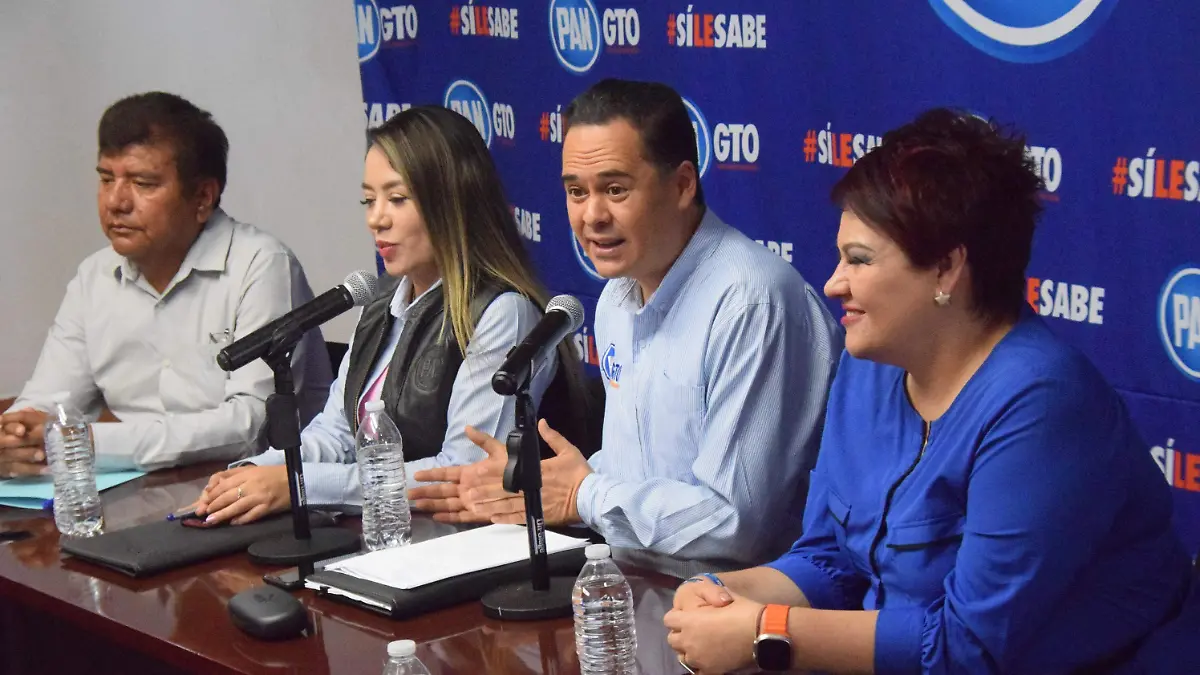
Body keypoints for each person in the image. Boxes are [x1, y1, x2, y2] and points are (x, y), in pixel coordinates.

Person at [663, 109, 1195, 675]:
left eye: (859, 260)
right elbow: (833, 560)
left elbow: (966, 648)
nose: (834, 283)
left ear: (945, 269)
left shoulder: (1042, 403)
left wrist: (763, 631)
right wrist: (724, 591)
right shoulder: (869, 363)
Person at [410, 79, 842, 567]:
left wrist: (582, 494)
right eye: (576, 192)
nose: (592, 215)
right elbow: (633, 477)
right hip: (630, 579)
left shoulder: (751, 302)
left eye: (615, 189)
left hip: (739, 600)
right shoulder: (617, 297)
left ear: (682, 185)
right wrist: (540, 485)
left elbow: (734, 523)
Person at [192, 106, 584, 526]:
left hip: (466, 542)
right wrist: (256, 471)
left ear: (454, 201)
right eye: (369, 200)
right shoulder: (380, 300)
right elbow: (337, 433)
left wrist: (299, 484)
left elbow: (461, 471)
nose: (376, 219)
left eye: (397, 199)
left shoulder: (502, 312)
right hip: (388, 531)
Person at [0, 92, 330, 475]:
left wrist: (88, 442)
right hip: (138, 491)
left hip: (259, 488)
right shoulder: (94, 277)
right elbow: (47, 400)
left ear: (202, 197)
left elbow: (252, 425)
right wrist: (17, 437)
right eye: (106, 179)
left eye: (143, 183)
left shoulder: (260, 265)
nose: (116, 202)